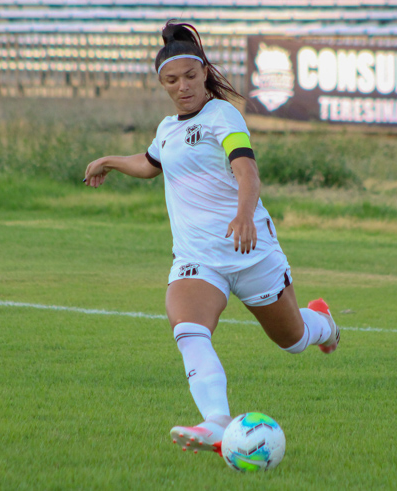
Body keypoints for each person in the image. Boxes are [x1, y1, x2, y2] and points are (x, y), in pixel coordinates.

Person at [84, 20, 340, 457]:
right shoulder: (167, 129)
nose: (181, 86)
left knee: (294, 340)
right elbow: (150, 163)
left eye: (188, 76)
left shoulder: (224, 115)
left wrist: (244, 216)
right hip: (197, 257)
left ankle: (325, 325)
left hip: (249, 249)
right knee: (188, 329)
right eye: (171, 80)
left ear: (204, 71)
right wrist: (111, 160)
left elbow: (247, 171)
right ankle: (218, 424)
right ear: (161, 83)